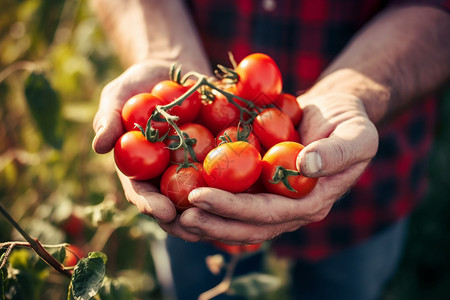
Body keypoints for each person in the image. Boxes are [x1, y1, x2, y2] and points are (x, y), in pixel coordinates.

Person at [90, 0, 450, 299]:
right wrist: (162, 52)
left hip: (366, 189)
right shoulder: (210, 138)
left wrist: (355, 90)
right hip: (197, 212)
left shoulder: (226, 135)